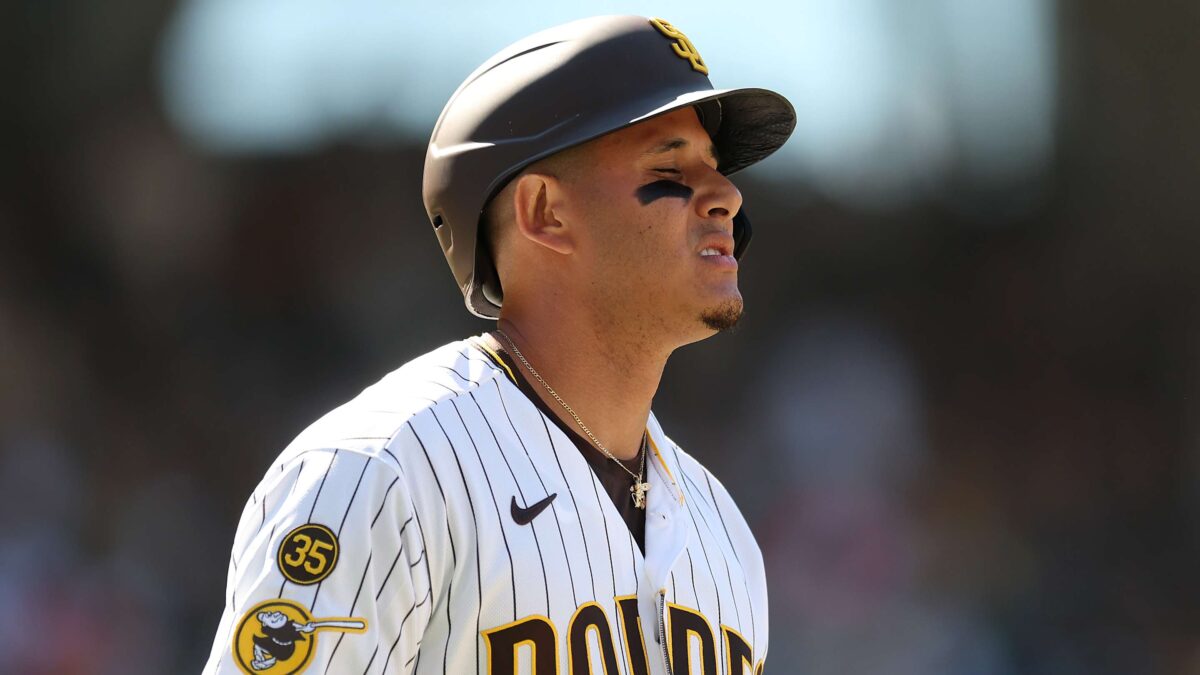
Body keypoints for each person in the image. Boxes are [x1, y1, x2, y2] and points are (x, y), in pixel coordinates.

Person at [205, 15, 794, 674]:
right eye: (669, 165)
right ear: (544, 211)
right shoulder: (382, 470)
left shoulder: (723, 530)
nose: (727, 194)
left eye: (716, 167)